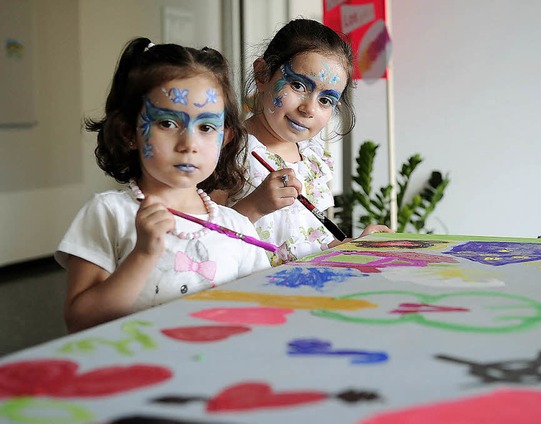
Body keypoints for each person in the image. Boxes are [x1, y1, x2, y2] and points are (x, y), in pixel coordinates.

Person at [55, 38, 270, 333]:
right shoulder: (108, 213)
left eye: (206, 127)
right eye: (167, 123)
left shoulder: (238, 228)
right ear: (130, 132)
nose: (189, 144)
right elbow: (80, 321)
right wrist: (143, 255)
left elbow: (262, 313)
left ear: (225, 138)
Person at [227, 18, 392, 265]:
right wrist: (254, 206)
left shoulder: (314, 159)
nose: (309, 109)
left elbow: (309, 243)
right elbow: (204, 236)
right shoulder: (229, 148)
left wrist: (354, 247)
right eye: (298, 85)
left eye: (325, 100)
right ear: (262, 74)